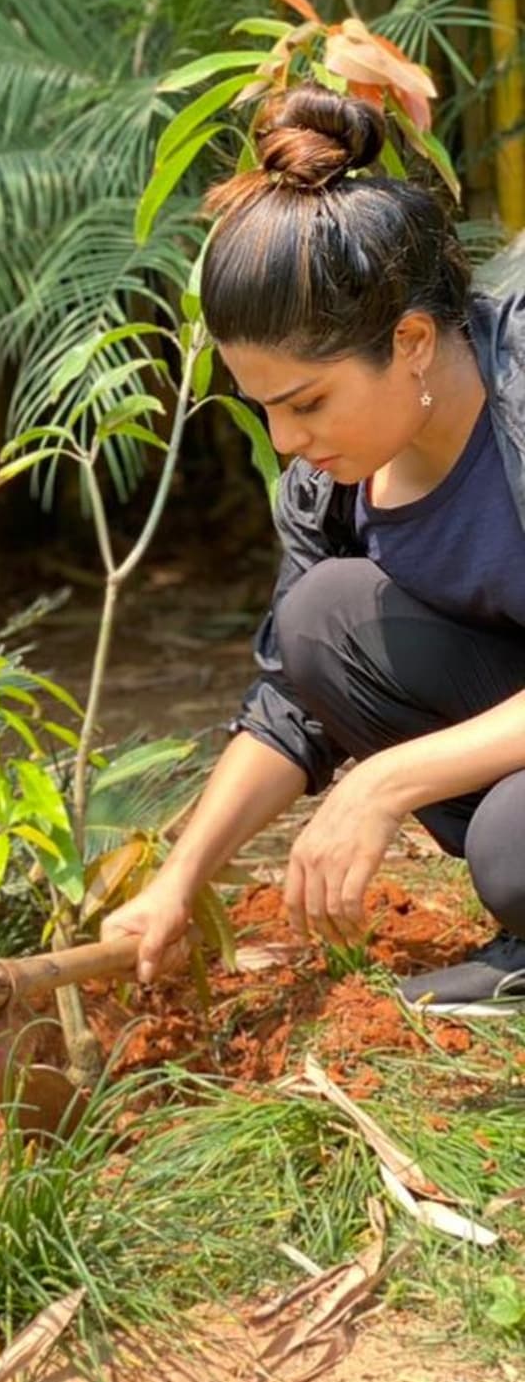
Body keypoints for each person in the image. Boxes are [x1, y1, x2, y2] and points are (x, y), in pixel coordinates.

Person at [105, 84, 525, 1019]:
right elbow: (291, 704)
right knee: (321, 618)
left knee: (515, 845)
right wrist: (178, 880)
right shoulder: (335, 480)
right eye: (265, 411)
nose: (286, 439)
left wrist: (384, 781)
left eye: (306, 403)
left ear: (410, 340)